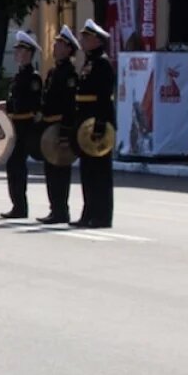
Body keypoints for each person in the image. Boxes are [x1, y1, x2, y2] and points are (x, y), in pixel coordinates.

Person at [73, 19, 115, 229]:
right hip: (85, 121)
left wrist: (100, 124)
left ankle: (102, 215)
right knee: (88, 172)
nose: (82, 41)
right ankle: (88, 212)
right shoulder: (89, 62)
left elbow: (104, 97)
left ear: (96, 40)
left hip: (98, 122)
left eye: (86, 37)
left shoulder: (102, 63)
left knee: (100, 173)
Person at [37, 26, 80, 225]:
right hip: (49, 126)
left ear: (69, 49)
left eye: (60, 44)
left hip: (60, 126)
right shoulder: (54, 72)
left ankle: (61, 210)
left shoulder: (69, 74)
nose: (55, 47)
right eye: (55, 44)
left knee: (60, 171)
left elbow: (70, 105)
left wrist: (65, 132)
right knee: (50, 171)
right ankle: (54, 208)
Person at [1, 31, 42, 219]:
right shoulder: (19, 76)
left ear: (28, 53)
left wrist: (11, 108)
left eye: (20, 50)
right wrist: (5, 105)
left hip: (25, 126)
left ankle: (20, 206)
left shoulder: (33, 77)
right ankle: (16, 204)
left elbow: (31, 104)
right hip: (14, 124)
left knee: (17, 166)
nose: (17, 53)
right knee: (13, 166)